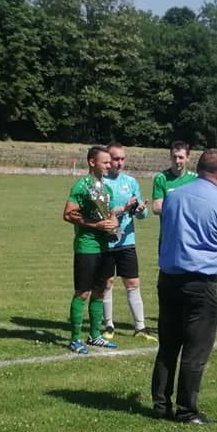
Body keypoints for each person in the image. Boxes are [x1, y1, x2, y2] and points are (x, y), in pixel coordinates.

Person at [151, 149, 217, 425]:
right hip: (200, 283)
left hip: (168, 278)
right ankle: (187, 410)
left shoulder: (173, 196)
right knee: (195, 349)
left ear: (198, 167)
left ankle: (160, 404)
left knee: (168, 346)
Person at [63, 146, 120, 354]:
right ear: (92, 162)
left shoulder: (106, 189)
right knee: (83, 292)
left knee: (100, 291)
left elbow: (111, 213)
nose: (109, 165)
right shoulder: (81, 186)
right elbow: (68, 214)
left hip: (105, 246)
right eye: (105, 162)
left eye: (110, 162)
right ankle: (75, 339)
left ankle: (95, 335)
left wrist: (113, 224)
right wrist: (95, 225)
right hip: (87, 246)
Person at [100, 143, 157, 342]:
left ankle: (140, 327)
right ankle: (108, 325)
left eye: (122, 159)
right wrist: (123, 209)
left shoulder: (131, 182)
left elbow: (141, 214)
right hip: (107, 241)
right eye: (116, 159)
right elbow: (100, 212)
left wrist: (140, 210)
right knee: (107, 282)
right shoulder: (99, 183)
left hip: (127, 240)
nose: (120, 162)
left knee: (132, 283)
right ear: (108, 160)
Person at [152, 141, 197, 215]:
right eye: (174, 157)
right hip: (170, 222)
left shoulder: (195, 179)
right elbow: (156, 208)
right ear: (170, 157)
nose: (177, 161)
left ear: (188, 158)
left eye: (181, 157)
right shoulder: (161, 178)